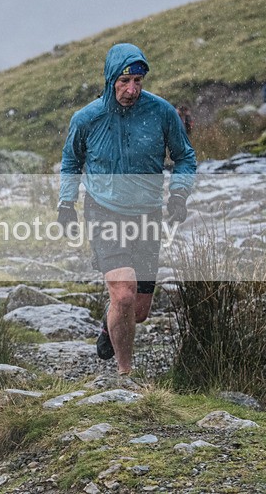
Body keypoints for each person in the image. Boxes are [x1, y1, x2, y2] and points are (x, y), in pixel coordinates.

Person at [58, 43, 196, 376]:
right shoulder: (87, 118)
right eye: (124, 82)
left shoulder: (161, 112)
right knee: (123, 293)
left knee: (139, 309)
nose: (131, 90)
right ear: (110, 80)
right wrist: (66, 203)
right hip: (104, 210)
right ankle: (125, 373)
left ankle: (110, 326)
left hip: (148, 213)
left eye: (138, 81)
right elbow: (71, 161)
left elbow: (185, 157)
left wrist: (178, 195)